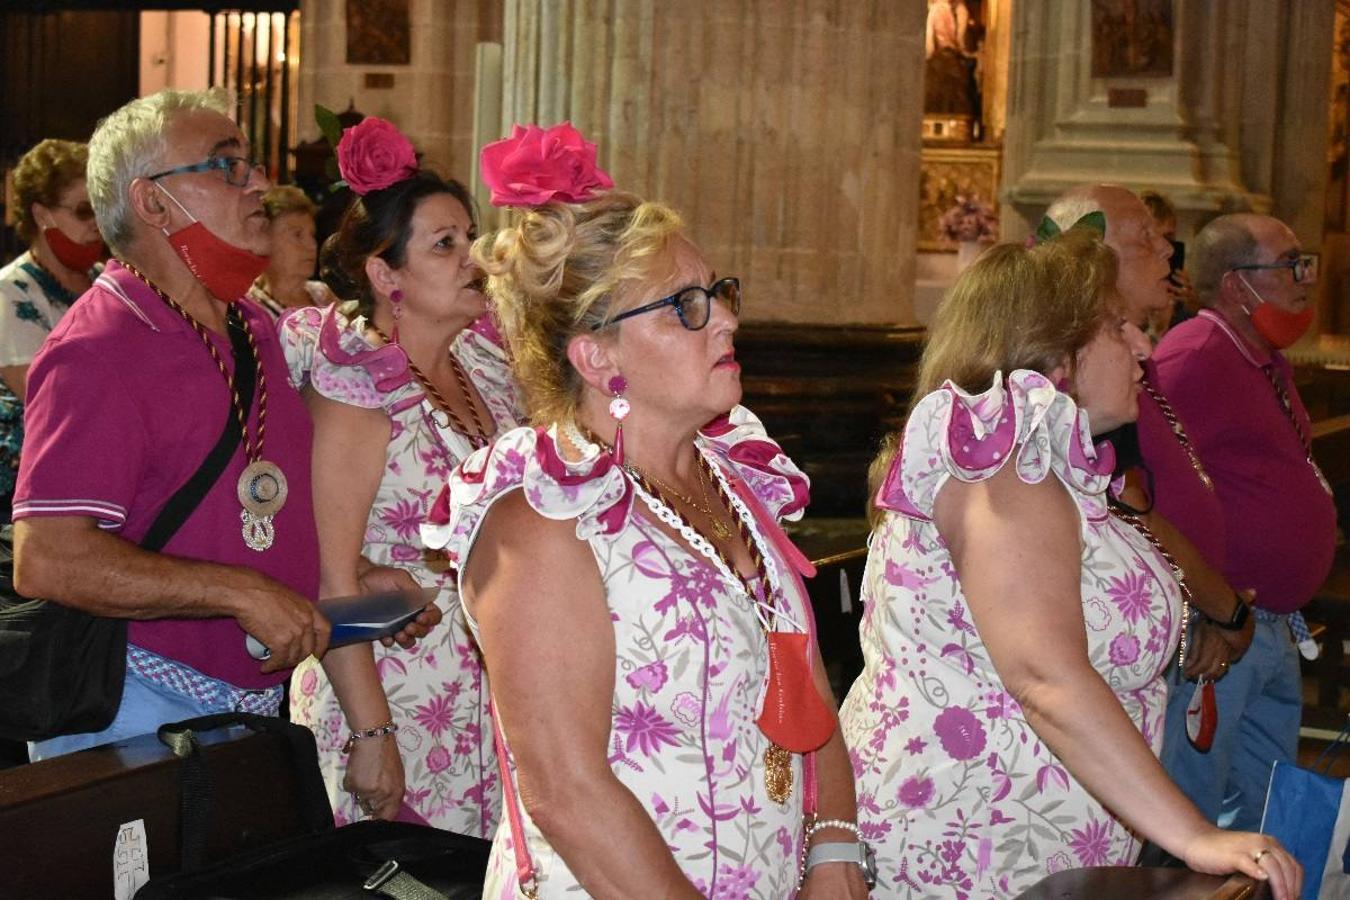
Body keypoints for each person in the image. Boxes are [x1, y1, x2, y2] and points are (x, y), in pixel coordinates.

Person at [425, 123, 871, 898]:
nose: (726, 320)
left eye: (719, 294)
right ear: (598, 357)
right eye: (685, 308)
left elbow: (805, 682)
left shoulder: (733, 477)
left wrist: (833, 855)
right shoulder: (539, 518)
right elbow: (566, 792)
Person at [837, 230, 1300, 899]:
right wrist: (1196, 835)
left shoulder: (1051, 463)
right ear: (1055, 351)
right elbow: (1044, 676)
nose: (1145, 348)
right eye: (1119, 328)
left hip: (1034, 843)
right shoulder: (1002, 459)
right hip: (963, 844)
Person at [11, 88, 429, 760]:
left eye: (252, 162)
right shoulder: (97, 348)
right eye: (226, 165)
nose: (259, 181)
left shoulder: (251, 325)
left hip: (251, 705)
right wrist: (240, 592)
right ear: (152, 202)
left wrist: (353, 577)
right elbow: (49, 557)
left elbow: (249, 515)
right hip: (134, 710)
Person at [282, 116, 520, 831]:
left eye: (471, 236)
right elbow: (330, 578)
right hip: (393, 692)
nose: (472, 257)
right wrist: (372, 735)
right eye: (444, 244)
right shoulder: (358, 385)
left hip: (487, 691)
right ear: (387, 276)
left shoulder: (490, 368)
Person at [1139, 213, 1338, 834]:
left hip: (1270, 625)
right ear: (1235, 284)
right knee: (1195, 814)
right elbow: (1147, 487)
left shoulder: (1258, 357)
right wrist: (1200, 605)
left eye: (1306, 264)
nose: (1305, 281)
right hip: (1222, 632)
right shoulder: (1192, 357)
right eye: (1289, 265)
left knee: (1260, 812)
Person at [1046, 184, 1254, 691]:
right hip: (1132, 642)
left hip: (1179, 620)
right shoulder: (1082, 373)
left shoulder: (1125, 363)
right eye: (1145, 237)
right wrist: (1223, 612)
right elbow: (1128, 512)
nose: (1167, 248)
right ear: (1090, 254)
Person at [0, 139, 104, 515]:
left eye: (100, 208)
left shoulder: (106, 280)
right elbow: (46, 399)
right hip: (35, 489)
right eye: (83, 210)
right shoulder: (10, 293)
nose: (97, 223)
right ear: (42, 214)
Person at [249, 184, 335, 318]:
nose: (312, 245)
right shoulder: (248, 311)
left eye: (312, 234)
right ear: (264, 239)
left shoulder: (327, 298)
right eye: (297, 235)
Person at [1140, 189, 1198, 333]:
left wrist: (1196, 308)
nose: (1166, 248)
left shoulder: (1181, 293)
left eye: (1169, 239)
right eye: (1153, 239)